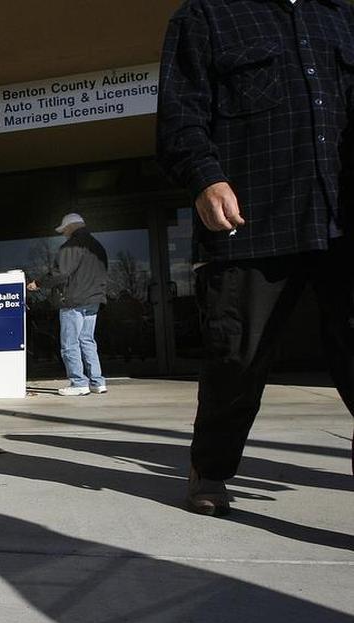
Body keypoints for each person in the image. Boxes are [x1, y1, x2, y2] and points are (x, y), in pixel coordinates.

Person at [157, 0, 354, 516]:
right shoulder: (206, 15)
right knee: (237, 359)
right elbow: (180, 114)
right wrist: (204, 177)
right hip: (253, 222)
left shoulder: (341, 16)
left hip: (343, 220)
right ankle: (211, 468)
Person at [27, 213, 109, 397]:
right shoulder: (98, 246)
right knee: (87, 340)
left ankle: (78, 383)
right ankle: (97, 382)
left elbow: (61, 272)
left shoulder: (72, 246)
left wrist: (38, 283)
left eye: (64, 230)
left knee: (69, 343)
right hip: (94, 300)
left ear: (71, 227)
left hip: (74, 301)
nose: (64, 234)